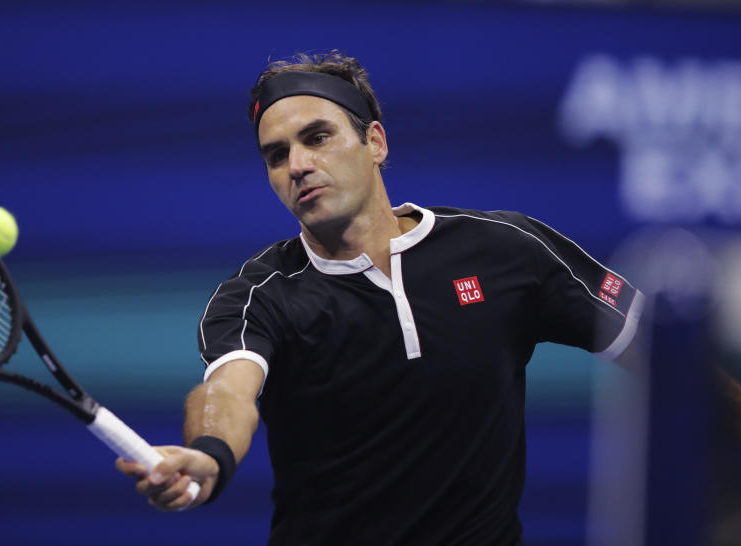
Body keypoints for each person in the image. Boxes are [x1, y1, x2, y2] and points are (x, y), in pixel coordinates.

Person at [115, 51, 647, 545]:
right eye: (277, 156)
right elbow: (227, 393)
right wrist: (209, 453)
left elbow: (663, 356)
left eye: (317, 137)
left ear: (375, 142)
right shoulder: (258, 296)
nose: (297, 165)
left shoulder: (508, 250)